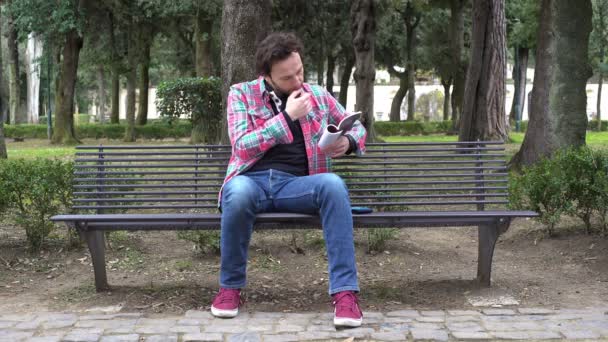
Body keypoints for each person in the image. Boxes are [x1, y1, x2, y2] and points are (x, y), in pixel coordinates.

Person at [211, 32, 367, 327]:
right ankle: (229, 288)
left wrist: (347, 142)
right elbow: (242, 145)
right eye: (287, 78)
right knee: (238, 193)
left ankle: (345, 295)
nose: (297, 82)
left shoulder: (318, 95)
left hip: (297, 186)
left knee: (333, 184)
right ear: (267, 76)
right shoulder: (241, 93)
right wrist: (287, 117)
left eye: (300, 72)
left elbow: (356, 126)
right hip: (250, 181)